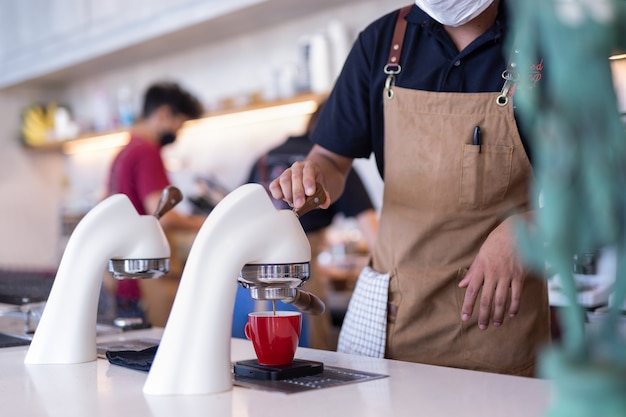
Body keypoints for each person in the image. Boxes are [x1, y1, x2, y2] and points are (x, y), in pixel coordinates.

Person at [269, 0, 550, 376]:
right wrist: (314, 177)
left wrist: (529, 226)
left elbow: (598, 184)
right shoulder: (381, 42)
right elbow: (332, 160)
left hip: (495, 320)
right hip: (396, 318)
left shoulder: (550, 40)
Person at [246, 100, 379, 350]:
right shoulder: (325, 166)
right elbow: (375, 236)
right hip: (301, 272)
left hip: (253, 277)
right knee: (308, 347)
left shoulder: (265, 157)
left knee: (262, 345)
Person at [106, 81, 206, 324]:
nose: (178, 133)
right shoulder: (147, 152)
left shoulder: (124, 151)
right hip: (146, 280)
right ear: (163, 114)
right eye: (179, 124)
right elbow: (163, 214)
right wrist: (207, 222)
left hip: (125, 279)